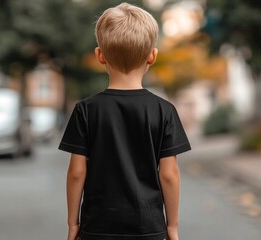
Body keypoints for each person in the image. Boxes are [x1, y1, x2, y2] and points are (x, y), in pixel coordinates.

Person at [59, 3, 191, 240]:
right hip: (148, 228)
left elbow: (77, 172)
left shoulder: (85, 111)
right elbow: (169, 175)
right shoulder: (164, 111)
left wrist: (73, 224)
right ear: (152, 56)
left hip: (97, 228)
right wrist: (172, 226)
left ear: (100, 55)